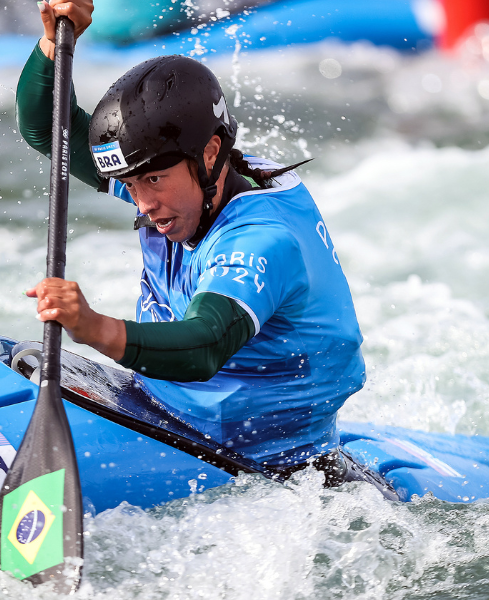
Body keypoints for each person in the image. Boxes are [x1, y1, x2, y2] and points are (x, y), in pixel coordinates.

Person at [19, 0, 370, 486]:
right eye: (132, 184)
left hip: (278, 467)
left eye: (154, 181)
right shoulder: (186, 178)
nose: (141, 203)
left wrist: (92, 326)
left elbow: (202, 346)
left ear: (209, 154)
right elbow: (47, 129)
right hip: (163, 414)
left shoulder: (261, 242)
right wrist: (57, 40)